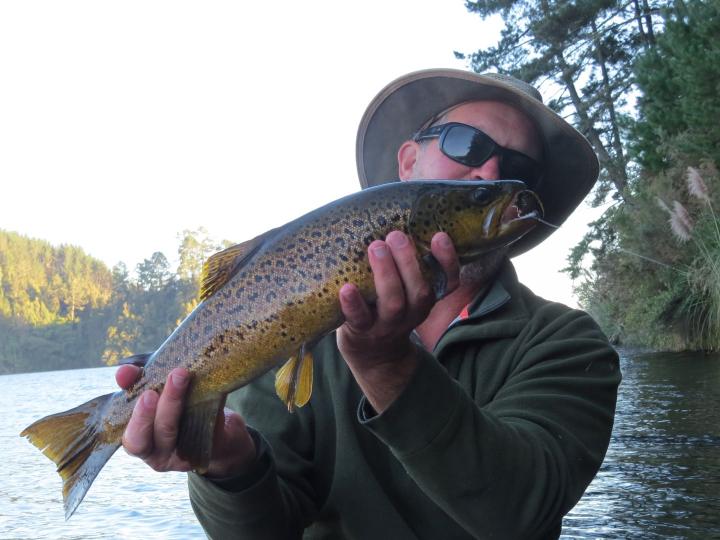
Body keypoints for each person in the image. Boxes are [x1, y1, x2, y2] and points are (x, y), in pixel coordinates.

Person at [116, 69, 621, 539]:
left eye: (517, 168)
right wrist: (228, 464)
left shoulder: (568, 345)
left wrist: (388, 365)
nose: (489, 171)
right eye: (467, 144)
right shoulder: (296, 331)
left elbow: (520, 511)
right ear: (408, 162)